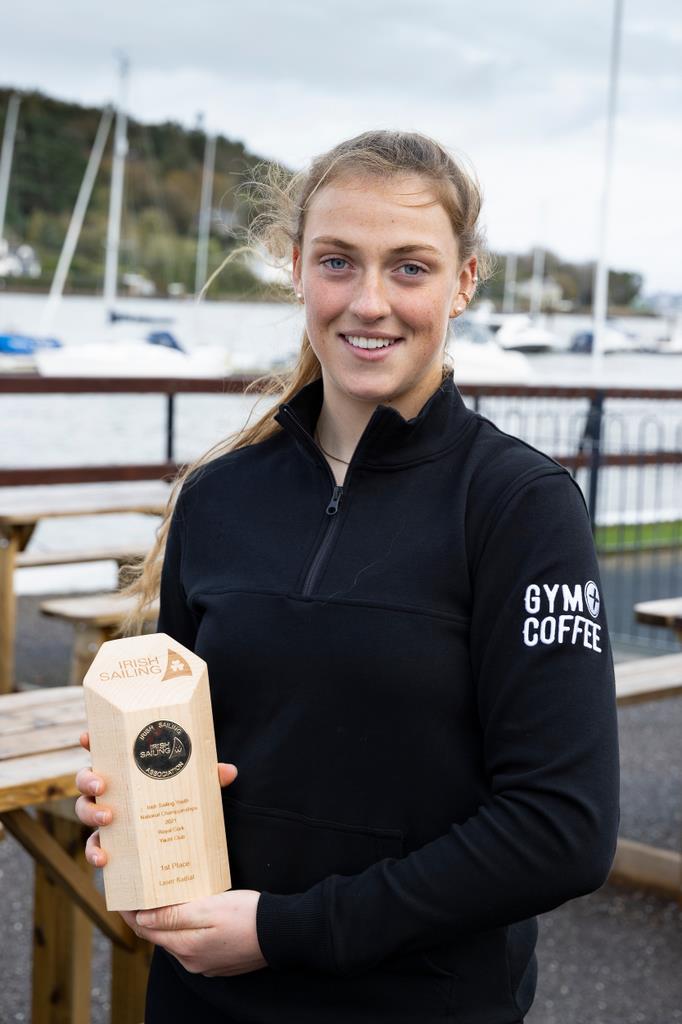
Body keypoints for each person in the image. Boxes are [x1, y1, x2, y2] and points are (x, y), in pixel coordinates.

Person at [75, 129, 620, 1023]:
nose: (370, 302)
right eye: (338, 262)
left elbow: (562, 832)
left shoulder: (521, 506)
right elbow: (173, 740)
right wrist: (132, 806)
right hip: (206, 1001)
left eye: (410, 268)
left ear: (464, 282)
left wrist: (285, 930)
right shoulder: (217, 495)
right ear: (296, 268)